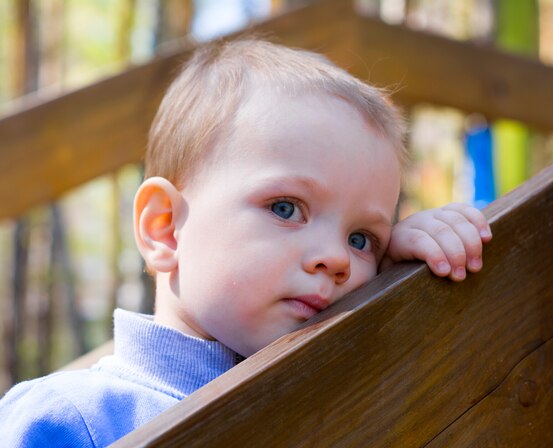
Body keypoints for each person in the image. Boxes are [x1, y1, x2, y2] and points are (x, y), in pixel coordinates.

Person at [0, 39, 491, 447]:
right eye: (285, 208)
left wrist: (403, 283)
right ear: (165, 228)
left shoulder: (346, 405)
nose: (338, 258)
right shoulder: (74, 418)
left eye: (362, 238)